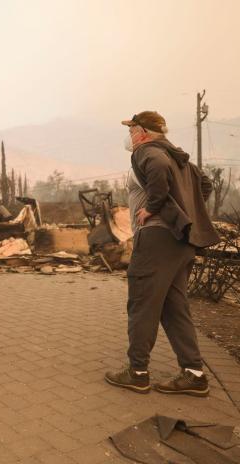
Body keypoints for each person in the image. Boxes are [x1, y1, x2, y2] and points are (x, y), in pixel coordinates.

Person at [105, 111, 219, 396]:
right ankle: (193, 374)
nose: (130, 137)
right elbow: (205, 185)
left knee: (142, 302)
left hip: (157, 238)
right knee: (173, 307)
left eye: (132, 131)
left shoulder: (148, 152)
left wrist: (155, 207)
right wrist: (185, 211)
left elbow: (156, 169)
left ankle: (137, 372)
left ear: (143, 132)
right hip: (180, 241)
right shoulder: (179, 158)